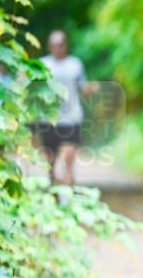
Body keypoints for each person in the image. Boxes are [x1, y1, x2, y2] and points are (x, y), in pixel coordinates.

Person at [33, 30, 98, 185]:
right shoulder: (42, 64)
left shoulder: (75, 64)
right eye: (54, 45)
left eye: (60, 44)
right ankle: (54, 186)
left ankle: (68, 190)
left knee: (69, 158)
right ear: (49, 47)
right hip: (49, 118)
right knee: (51, 161)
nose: (57, 48)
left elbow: (82, 88)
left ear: (65, 45)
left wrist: (92, 88)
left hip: (72, 117)